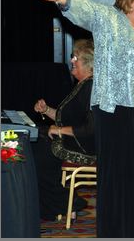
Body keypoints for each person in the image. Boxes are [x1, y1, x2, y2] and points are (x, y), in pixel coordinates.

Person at [33, 0, 134, 237]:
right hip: (113, 111)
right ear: (131, 0)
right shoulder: (109, 20)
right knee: (114, 181)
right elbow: (86, 11)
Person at [32, 39, 95, 222]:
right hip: (75, 141)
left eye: (75, 57)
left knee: (38, 154)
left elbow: (90, 129)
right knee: (35, 140)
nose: (72, 60)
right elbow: (66, 120)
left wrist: (59, 131)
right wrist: (46, 111)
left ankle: (67, 203)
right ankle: (59, 203)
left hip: (85, 147)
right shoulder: (83, 84)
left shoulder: (91, 87)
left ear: (88, 63)